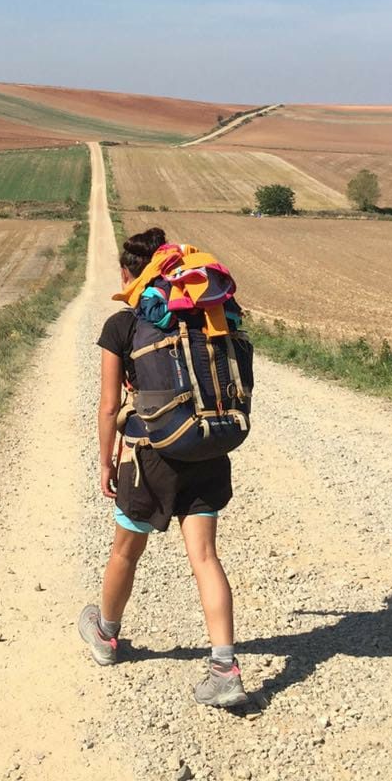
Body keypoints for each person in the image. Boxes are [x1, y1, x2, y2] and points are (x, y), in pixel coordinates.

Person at [76, 227, 245, 708]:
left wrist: (106, 461)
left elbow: (109, 406)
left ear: (132, 275)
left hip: (150, 456)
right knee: (206, 558)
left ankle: (107, 637)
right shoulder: (206, 316)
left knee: (126, 552)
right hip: (208, 446)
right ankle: (224, 668)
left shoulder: (123, 325)